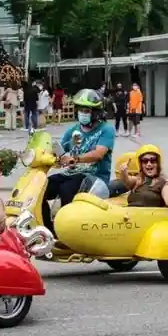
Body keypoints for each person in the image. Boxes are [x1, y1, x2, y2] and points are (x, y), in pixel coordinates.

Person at [40, 89, 116, 235]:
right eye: (80, 109)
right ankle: (49, 230)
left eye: (86, 110)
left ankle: (68, 232)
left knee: (66, 189)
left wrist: (75, 159)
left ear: (96, 112)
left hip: (95, 177)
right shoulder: (73, 131)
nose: (83, 113)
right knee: (40, 188)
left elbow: (99, 154)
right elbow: (60, 149)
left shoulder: (106, 130)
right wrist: (49, 155)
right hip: (72, 173)